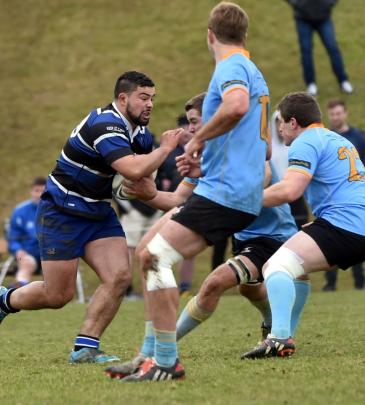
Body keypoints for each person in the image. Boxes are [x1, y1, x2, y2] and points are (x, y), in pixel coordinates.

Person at [110, 2, 270, 381]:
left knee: (153, 256)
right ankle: (148, 356)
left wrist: (197, 137)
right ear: (243, 35)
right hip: (230, 188)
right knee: (149, 248)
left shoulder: (230, 67)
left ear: (210, 35)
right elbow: (251, 141)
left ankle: (165, 361)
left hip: (227, 193)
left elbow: (235, 106)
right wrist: (207, 160)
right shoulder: (252, 69)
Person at [0, 71, 181, 364]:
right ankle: (5, 300)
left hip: (97, 212)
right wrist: (166, 149)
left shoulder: (142, 136)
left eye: (153, 99)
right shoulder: (104, 124)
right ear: (123, 99)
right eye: (143, 98)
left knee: (119, 276)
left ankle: (85, 347)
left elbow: (141, 181)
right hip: (61, 212)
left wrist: (137, 189)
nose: (149, 104)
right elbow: (133, 169)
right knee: (58, 296)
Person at [241, 92, 365, 359]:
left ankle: (279, 338)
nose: (280, 129)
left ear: (293, 122)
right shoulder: (337, 139)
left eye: (281, 123)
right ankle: (283, 336)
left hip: (345, 225)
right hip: (353, 223)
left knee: (275, 266)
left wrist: (245, 201)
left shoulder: (304, 141)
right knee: (296, 271)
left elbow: (291, 190)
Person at [322, 99, 365, 291]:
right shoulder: (325, 138)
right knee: (328, 238)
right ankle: (330, 283)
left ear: (345, 113)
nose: (336, 117)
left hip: (355, 199)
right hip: (331, 199)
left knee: (354, 236)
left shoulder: (359, 137)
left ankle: (359, 282)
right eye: (332, 114)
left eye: (339, 113)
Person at [286, 0, 353, 96]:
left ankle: (343, 81)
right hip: (303, 18)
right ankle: (311, 83)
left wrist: (329, 3)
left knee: (333, 48)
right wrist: (296, 3)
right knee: (306, 51)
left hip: (324, 18)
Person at [271, 111, 309, 229]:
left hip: (294, 194)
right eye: (278, 123)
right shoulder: (269, 148)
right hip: (275, 194)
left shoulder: (295, 146)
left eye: (283, 123)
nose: (280, 127)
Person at [7, 177, 46, 287]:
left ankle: (49, 295)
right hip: (24, 255)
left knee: (53, 267)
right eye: (36, 190)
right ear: (31, 191)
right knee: (26, 263)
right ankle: (17, 289)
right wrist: (17, 250)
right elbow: (12, 239)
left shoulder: (55, 211)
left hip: (50, 254)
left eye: (42, 191)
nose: (39, 194)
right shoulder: (20, 211)